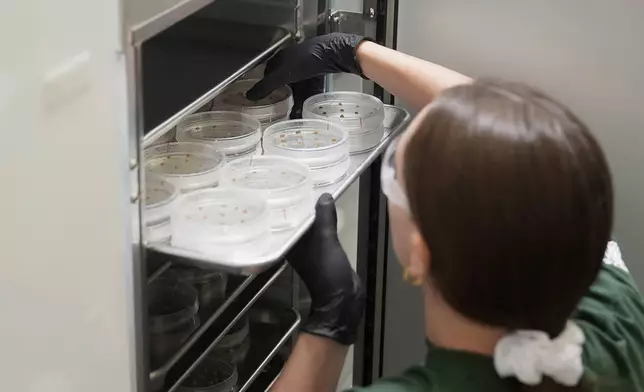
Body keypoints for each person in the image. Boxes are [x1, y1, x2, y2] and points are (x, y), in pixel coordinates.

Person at [248, 34, 644, 392]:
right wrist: (354, 53)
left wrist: (329, 324)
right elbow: (536, 155)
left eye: (395, 179)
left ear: (422, 253)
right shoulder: (615, 325)